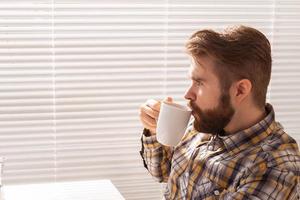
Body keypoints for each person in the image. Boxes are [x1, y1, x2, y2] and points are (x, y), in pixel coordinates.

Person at [139, 25, 300, 200]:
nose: (188, 94)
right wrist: (155, 131)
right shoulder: (207, 122)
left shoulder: (274, 169)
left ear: (240, 90)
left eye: (199, 83)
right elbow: (162, 172)